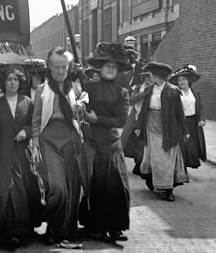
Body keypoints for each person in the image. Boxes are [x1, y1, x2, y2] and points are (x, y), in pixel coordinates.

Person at [30, 47, 83, 249]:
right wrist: (35, 145)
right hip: (49, 143)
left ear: (68, 67)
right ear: (50, 67)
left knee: (71, 190)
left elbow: (81, 117)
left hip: (71, 142)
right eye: (56, 67)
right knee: (58, 188)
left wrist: (81, 109)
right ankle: (52, 222)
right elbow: (36, 121)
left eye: (64, 67)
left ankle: (61, 231)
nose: (61, 71)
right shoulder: (43, 90)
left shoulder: (75, 89)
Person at [79, 42, 131, 242]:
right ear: (100, 68)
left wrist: (96, 119)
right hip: (93, 142)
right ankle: (95, 226)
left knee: (117, 185)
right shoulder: (89, 87)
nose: (110, 68)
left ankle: (115, 227)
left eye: (114, 66)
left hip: (111, 144)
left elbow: (120, 120)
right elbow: (81, 103)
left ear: (118, 70)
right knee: (97, 186)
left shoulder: (122, 92)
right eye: (107, 65)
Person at [0, 64, 35, 249]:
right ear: (4, 82)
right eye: (9, 79)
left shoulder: (28, 102)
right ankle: (7, 232)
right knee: (6, 191)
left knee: (24, 190)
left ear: (20, 82)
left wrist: (26, 131)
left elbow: (35, 123)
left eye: (15, 80)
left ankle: (24, 231)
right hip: (4, 153)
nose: (12, 83)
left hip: (22, 154)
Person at [134, 62, 189, 202]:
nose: (150, 76)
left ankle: (168, 189)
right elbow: (144, 110)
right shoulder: (149, 89)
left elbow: (179, 113)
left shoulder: (173, 90)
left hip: (168, 129)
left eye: (151, 73)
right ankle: (154, 183)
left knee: (166, 159)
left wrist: (185, 131)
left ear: (157, 75)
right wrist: (138, 126)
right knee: (154, 157)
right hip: (151, 126)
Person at [168, 65, 207, 170]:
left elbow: (201, 107)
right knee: (184, 146)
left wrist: (202, 119)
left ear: (188, 80)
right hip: (182, 123)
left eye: (184, 79)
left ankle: (186, 166)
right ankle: (182, 169)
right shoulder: (175, 94)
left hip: (194, 123)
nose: (181, 82)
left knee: (194, 146)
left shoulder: (195, 92)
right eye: (179, 80)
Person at [121, 69, 154, 185]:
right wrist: (144, 93)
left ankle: (139, 165)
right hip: (135, 114)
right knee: (132, 139)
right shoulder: (139, 87)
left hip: (148, 117)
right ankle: (137, 162)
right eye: (147, 77)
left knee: (143, 141)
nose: (149, 79)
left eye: (151, 77)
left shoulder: (156, 89)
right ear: (144, 78)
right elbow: (131, 99)